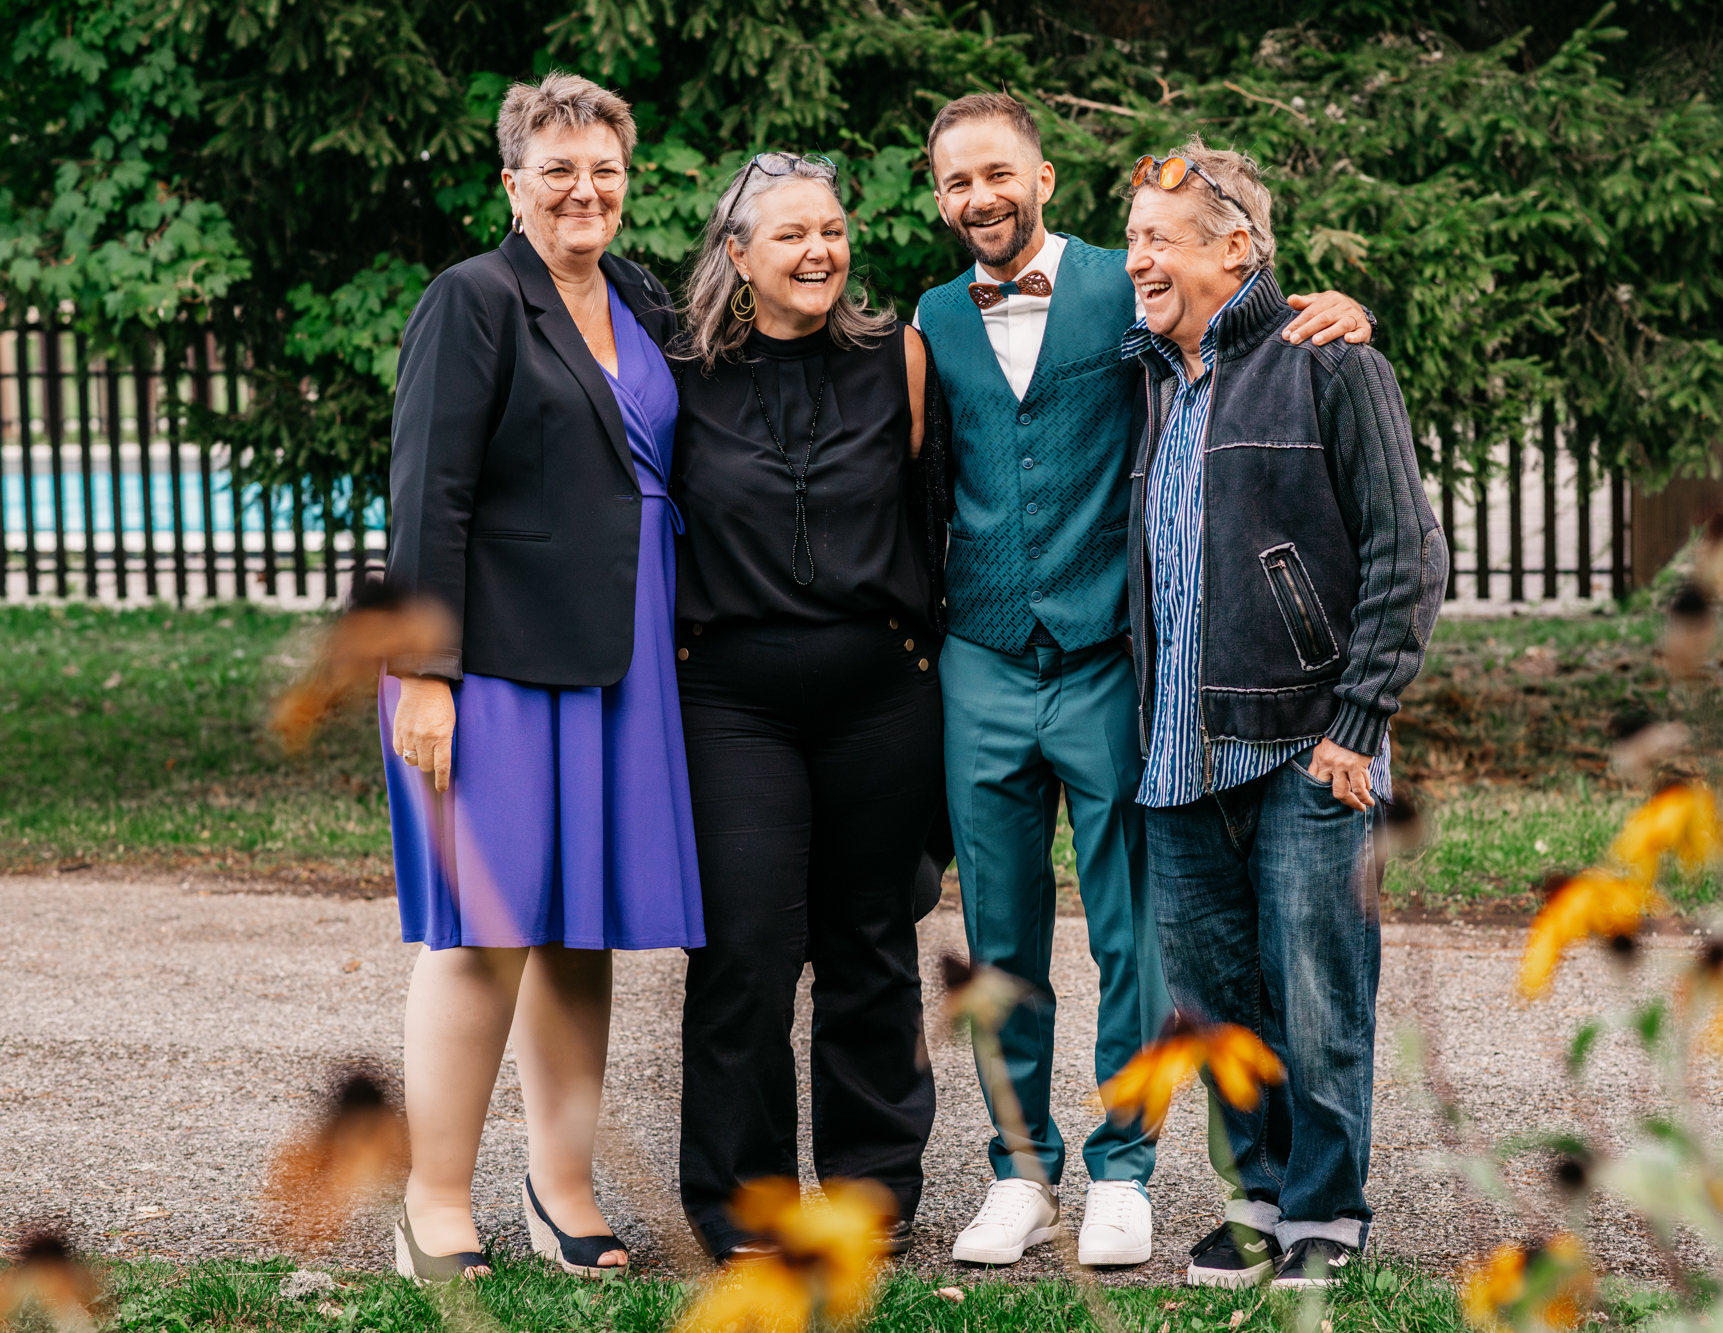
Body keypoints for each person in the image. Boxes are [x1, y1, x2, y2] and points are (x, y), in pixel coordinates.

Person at [914, 93, 1376, 1268]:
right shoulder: (930, 319)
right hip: (983, 657)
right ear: (938, 197)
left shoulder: (1124, 289)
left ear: (1041, 177)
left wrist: (1338, 308)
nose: (980, 196)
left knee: (1138, 936)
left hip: (1108, 663)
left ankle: (1124, 1168)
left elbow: (1239, 308)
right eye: (956, 180)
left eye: (998, 173)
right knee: (999, 931)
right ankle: (1020, 1171)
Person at [379, 72, 702, 1283]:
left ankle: (560, 1189)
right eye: (557, 169)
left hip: (625, 656)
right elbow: (430, 488)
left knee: (581, 929)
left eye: (603, 169)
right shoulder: (473, 298)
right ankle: (432, 1203)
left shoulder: (643, 298)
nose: (584, 190)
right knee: (486, 928)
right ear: (512, 184)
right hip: (496, 662)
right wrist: (425, 672)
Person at [1119, 138, 1443, 1289]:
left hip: (1311, 740)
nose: (1136, 261)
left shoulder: (1329, 363)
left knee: (1316, 987)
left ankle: (1325, 1211)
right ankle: (1255, 1198)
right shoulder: (1141, 374)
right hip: (1175, 748)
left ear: (1236, 249)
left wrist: (1358, 720)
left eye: (1159, 240)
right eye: (1129, 240)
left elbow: (1406, 552)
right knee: (1219, 1002)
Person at [667, 151, 950, 1261]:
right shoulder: (677, 372)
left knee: (870, 944)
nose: (818, 250)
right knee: (743, 946)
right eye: (790, 234)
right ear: (738, 255)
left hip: (879, 692)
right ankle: (744, 1202)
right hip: (729, 699)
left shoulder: (899, 358)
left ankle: (870, 1189)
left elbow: (936, 513)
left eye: (830, 230)